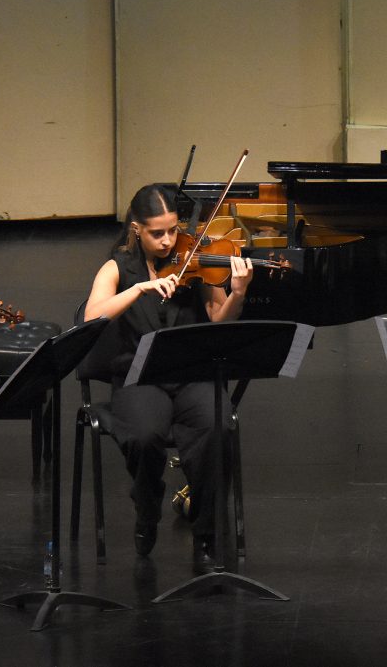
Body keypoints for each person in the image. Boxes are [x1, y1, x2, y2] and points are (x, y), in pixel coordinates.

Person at [83, 183, 253, 572]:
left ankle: (208, 532)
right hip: (139, 376)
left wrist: (238, 294)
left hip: (192, 373)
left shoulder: (196, 261)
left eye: (173, 230)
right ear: (136, 229)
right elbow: (92, 317)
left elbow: (219, 321)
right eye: (157, 233)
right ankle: (147, 506)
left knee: (218, 427)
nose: (168, 241)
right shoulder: (116, 267)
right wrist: (140, 288)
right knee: (144, 436)